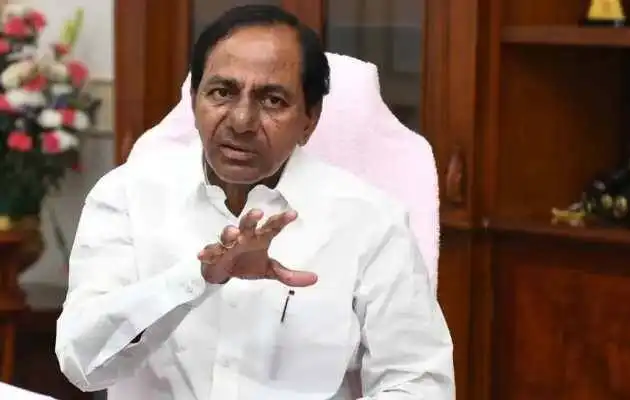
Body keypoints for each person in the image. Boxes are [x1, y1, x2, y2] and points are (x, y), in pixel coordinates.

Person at [55, 5, 454, 399]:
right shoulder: (126, 195)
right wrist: (196, 279)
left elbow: (419, 384)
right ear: (194, 99)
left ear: (310, 120)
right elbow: (82, 365)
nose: (241, 121)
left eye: (272, 100)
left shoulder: (370, 221)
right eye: (222, 92)